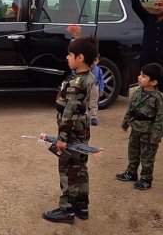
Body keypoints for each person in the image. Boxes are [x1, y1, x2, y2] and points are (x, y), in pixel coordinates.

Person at [43, 36, 97, 224]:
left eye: (70, 54)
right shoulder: (89, 75)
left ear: (80, 58)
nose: (67, 57)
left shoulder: (77, 83)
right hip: (82, 128)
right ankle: (82, 206)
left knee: (68, 169)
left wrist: (62, 137)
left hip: (72, 130)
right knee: (80, 167)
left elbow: (69, 112)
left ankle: (66, 210)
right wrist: (79, 36)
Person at [116, 63, 163, 190]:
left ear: (154, 82)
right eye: (140, 74)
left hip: (148, 132)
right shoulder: (138, 92)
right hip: (136, 129)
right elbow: (131, 109)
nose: (139, 77)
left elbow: (160, 119)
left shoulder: (158, 98)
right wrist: (125, 123)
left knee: (147, 156)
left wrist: (156, 136)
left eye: (144, 76)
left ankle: (146, 178)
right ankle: (131, 172)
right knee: (133, 152)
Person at [130, 0, 163, 133]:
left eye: (161, 5)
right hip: (147, 65)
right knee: (147, 95)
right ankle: (147, 122)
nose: (157, 7)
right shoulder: (148, 19)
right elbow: (136, 6)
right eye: (156, 4)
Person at [88, 55, 104, 126]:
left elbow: (101, 80)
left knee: (94, 102)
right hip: (86, 87)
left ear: (98, 61)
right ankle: (84, 116)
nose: (93, 62)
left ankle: (93, 117)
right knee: (84, 101)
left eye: (95, 60)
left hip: (94, 87)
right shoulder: (84, 69)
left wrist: (101, 89)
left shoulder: (98, 70)